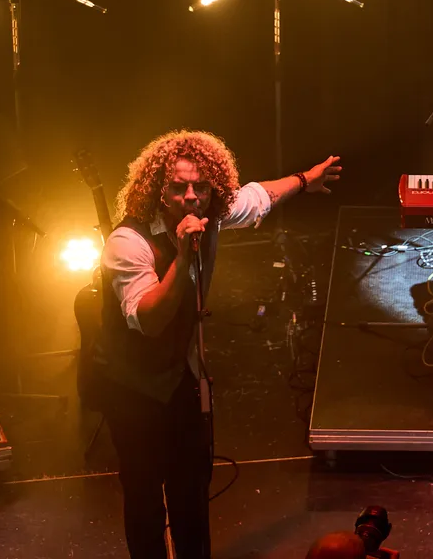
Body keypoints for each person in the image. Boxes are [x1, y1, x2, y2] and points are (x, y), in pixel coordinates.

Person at [93, 130, 341, 558]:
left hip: (182, 377)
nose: (192, 197)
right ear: (157, 190)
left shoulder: (213, 212)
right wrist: (183, 255)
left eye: (202, 187)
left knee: (191, 491)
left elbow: (261, 195)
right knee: (144, 497)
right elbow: (149, 320)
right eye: (179, 188)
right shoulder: (127, 242)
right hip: (132, 388)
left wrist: (305, 179)